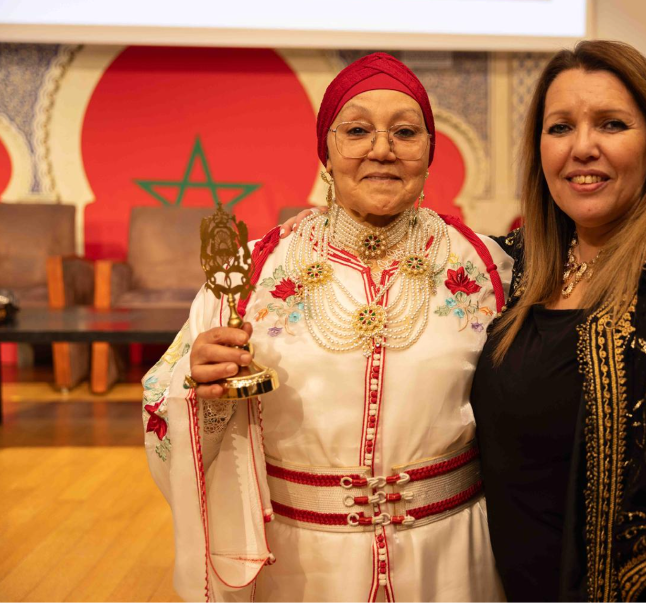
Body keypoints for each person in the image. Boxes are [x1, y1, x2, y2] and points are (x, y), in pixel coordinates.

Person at [282, 41, 646, 601]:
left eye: (611, 124)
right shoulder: (519, 262)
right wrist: (315, 245)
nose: (583, 148)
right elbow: (409, 270)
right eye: (560, 128)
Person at [143, 53, 511, 601]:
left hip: (450, 561)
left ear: (430, 151)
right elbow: (163, 401)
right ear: (325, 151)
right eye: (357, 130)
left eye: (405, 132)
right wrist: (203, 391)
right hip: (301, 566)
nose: (381, 149)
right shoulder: (254, 272)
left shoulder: (491, 269)